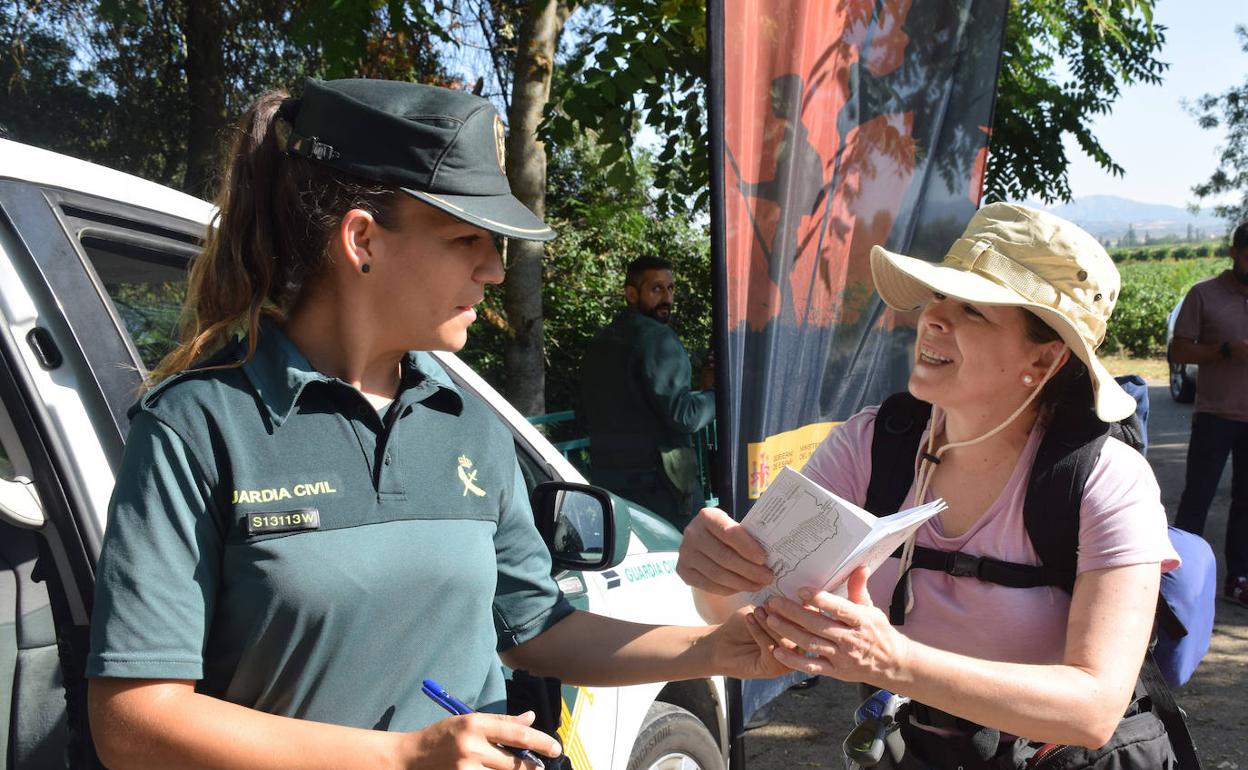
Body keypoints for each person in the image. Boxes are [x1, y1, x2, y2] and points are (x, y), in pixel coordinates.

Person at [84, 78, 786, 770]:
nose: (491, 269)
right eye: (465, 238)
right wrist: (401, 757)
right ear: (361, 239)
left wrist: (714, 649)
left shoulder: (469, 425)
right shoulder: (198, 427)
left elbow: (538, 630)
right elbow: (133, 720)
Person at [676, 203, 1179, 767]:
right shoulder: (872, 444)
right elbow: (735, 607)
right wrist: (714, 572)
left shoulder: (1105, 478)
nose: (934, 317)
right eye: (937, 296)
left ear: (1043, 357)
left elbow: (1093, 710)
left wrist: (893, 663)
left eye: (973, 310)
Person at [579, 256, 716, 529]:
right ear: (631, 293)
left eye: (671, 288)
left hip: (611, 482)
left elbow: (585, 413)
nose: (667, 297)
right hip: (663, 487)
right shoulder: (657, 338)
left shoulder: (601, 341)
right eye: (656, 289)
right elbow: (685, 416)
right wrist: (716, 394)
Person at [1170, 222, 1248, 607]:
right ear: (1234, 253)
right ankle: (1177, 581)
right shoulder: (1204, 295)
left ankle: (1240, 579)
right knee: (1197, 498)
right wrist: (1225, 351)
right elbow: (1179, 352)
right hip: (1215, 415)